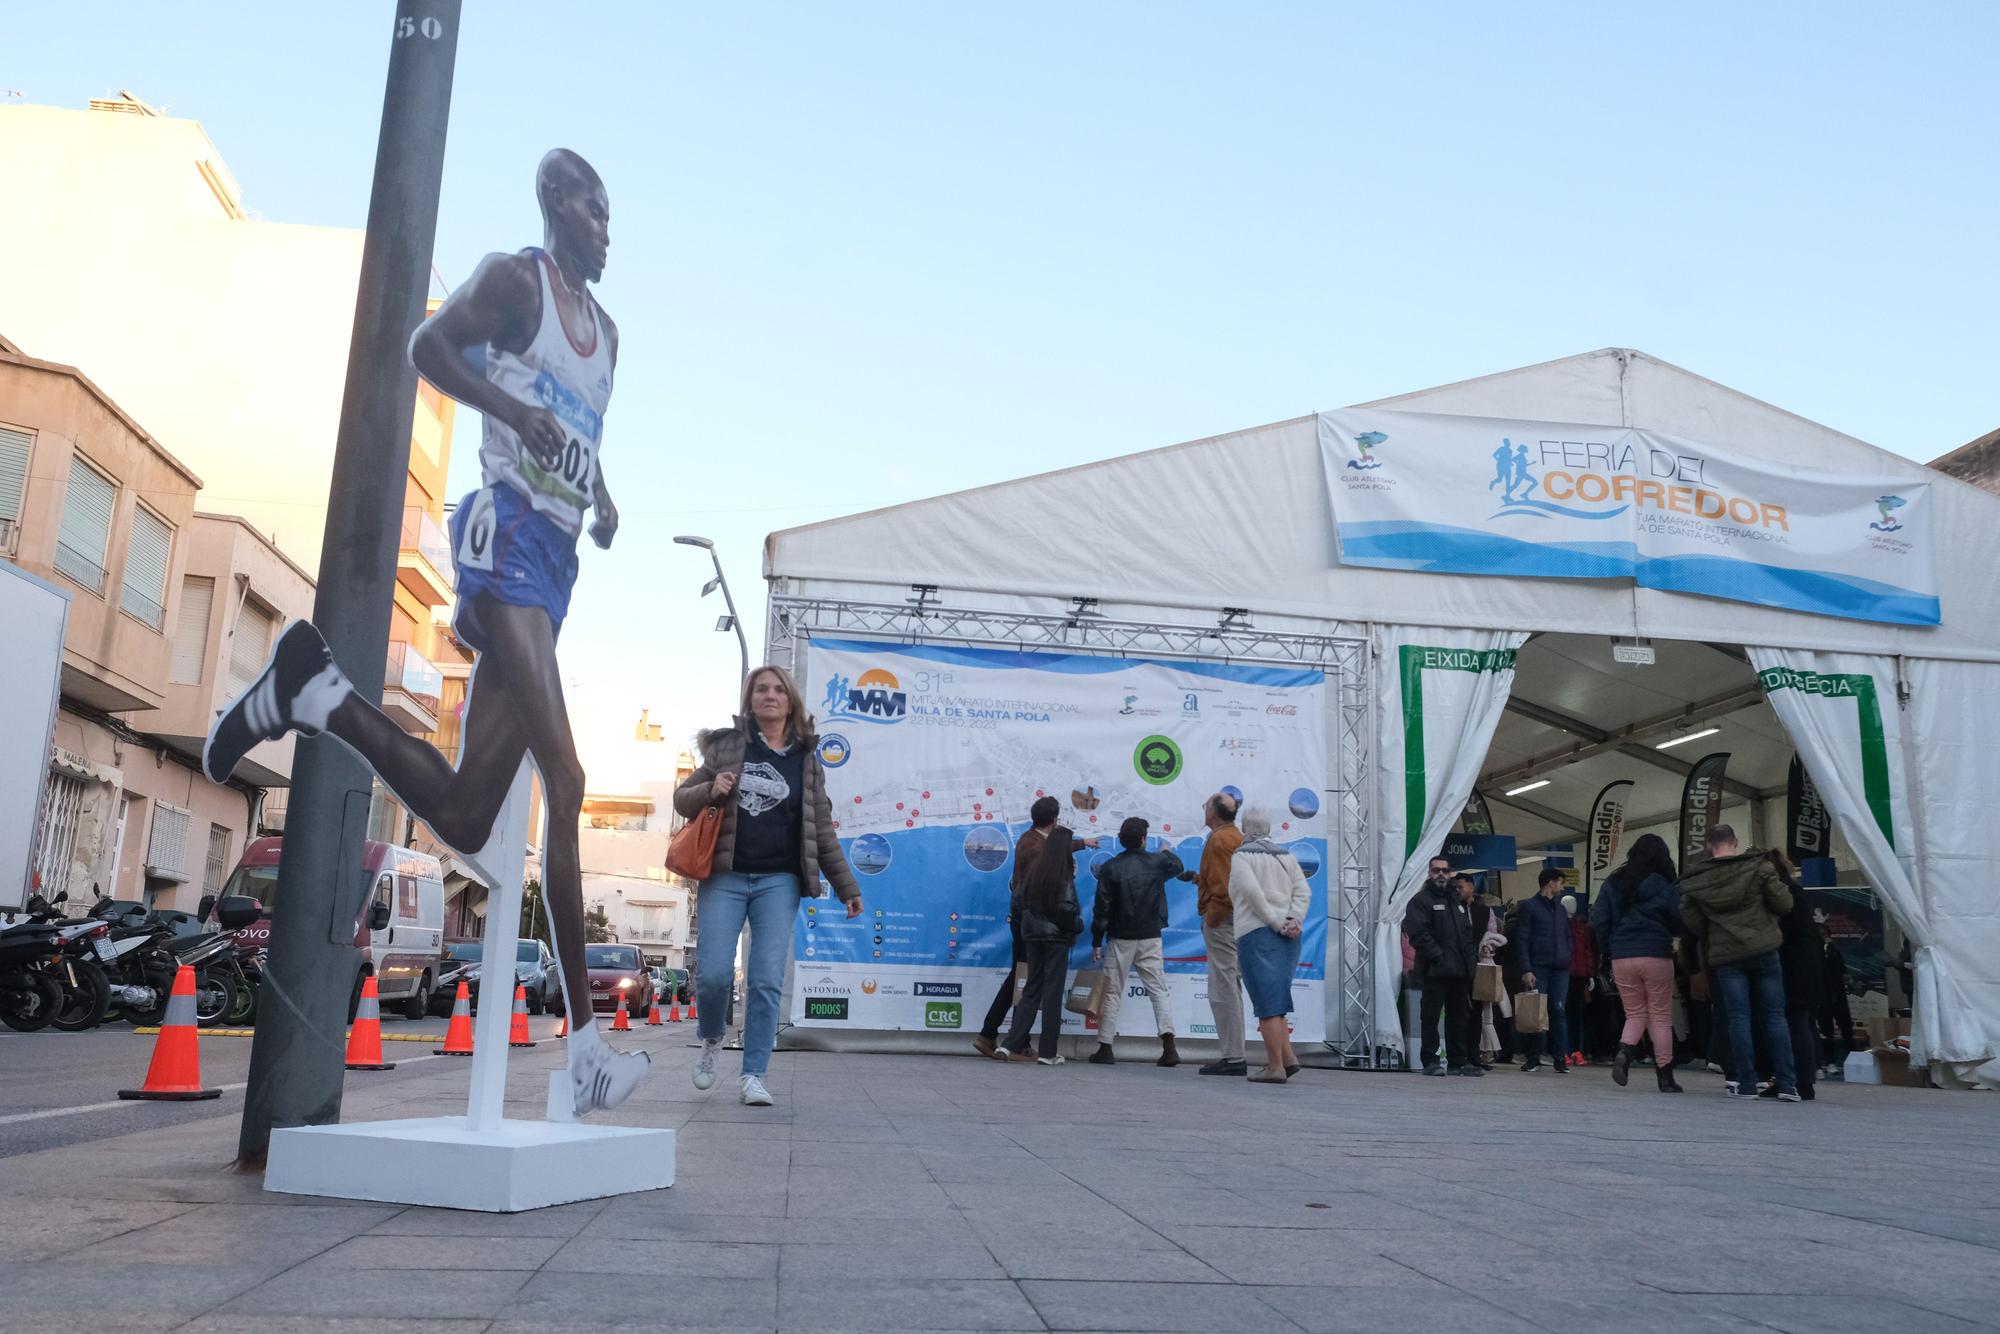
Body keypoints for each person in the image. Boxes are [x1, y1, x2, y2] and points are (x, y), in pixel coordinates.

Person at [202, 150, 648, 1116]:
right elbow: (427, 348)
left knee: (463, 812)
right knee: (566, 782)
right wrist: (507, 407)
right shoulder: (512, 279)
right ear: (554, 205)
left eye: (613, 215)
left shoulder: (609, 334)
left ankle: (312, 694)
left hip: (558, 558)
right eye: (594, 209)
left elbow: (579, 434)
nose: (608, 228)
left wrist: (604, 498)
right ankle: (588, 1046)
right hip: (503, 538)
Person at [675, 665, 863, 1106]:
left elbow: (822, 830)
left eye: (779, 689)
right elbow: (683, 799)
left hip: (778, 882)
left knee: (764, 979)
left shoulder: (806, 761)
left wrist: (846, 886)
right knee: (715, 975)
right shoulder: (727, 748)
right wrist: (710, 790)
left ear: (791, 701)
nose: (770, 696)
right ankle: (710, 1038)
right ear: (750, 699)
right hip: (725, 877)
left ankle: (754, 1074)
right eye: (761, 689)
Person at [1679, 824, 1799, 1101]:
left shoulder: (1699, 879)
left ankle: (1745, 1083)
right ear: (1735, 841)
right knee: (1775, 1016)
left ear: (1709, 845)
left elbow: (1692, 920)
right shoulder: (1760, 868)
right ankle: (1786, 1084)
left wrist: (1716, 931)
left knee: (1738, 1018)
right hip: (1764, 949)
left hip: (1727, 957)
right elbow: (1784, 904)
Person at [1088, 817, 1187, 1067]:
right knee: (1158, 990)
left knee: (1112, 992)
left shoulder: (1110, 867)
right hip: (1151, 935)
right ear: (1143, 839)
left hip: (1120, 937)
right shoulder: (1157, 863)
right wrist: (1165, 852)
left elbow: (1102, 909)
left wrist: (1097, 940)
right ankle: (1169, 1046)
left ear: (1122, 839)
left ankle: (1105, 1047)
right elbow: (1177, 866)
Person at [1590, 834, 1683, 1092]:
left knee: (1635, 1013)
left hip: (1622, 956)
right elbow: (1679, 919)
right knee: (1661, 1016)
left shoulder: (1613, 882)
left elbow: (1600, 919)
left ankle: (1624, 1052)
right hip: (1656, 954)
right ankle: (1665, 1077)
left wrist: (1609, 948)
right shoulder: (1664, 885)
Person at [1228, 807, 1311, 1084]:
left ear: (1244, 827)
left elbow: (1251, 893)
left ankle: (1275, 1067)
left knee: (1266, 1004)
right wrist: (1293, 919)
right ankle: (1288, 1058)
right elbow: (1303, 890)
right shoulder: (1286, 856)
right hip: (1289, 936)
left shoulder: (1242, 856)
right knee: (1277, 999)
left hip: (1256, 932)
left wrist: (1275, 922)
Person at [973, 796, 1060, 1058]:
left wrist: (1079, 845)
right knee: (1028, 980)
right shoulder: (1036, 848)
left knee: (1019, 977)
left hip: (1022, 920)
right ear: (1054, 820)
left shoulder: (1029, 839)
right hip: (1030, 922)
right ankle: (1012, 1040)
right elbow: (1039, 883)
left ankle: (993, 1034)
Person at [997, 822, 1086, 1065]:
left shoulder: (1034, 870)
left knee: (1031, 989)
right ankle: (1048, 1052)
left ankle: (1009, 1044)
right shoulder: (1063, 874)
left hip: (1032, 936)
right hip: (1056, 939)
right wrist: (1078, 925)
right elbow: (1066, 910)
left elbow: (1018, 902)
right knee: (1053, 993)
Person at [1403, 855, 1480, 1076]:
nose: (1441, 874)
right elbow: (1418, 934)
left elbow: (1467, 935)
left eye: (1445, 871)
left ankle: (1458, 1061)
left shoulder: (1457, 901)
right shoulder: (1420, 901)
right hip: (1434, 970)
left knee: (1458, 1018)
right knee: (1430, 1017)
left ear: (1450, 874)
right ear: (1429, 873)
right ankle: (1430, 1060)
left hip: (1460, 971)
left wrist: (1471, 961)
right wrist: (1439, 957)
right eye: (1436, 870)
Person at [1195, 792, 1248, 1076]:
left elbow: (1225, 888)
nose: (1203, 809)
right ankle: (1233, 1054)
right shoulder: (1234, 836)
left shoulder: (1219, 840)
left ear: (1213, 813)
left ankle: (1234, 1056)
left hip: (1222, 921)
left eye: (1205, 806)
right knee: (1227, 984)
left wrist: (1212, 918)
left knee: (1223, 987)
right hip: (1231, 918)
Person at [1771, 851, 1823, 1101]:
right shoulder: (1797, 891)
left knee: (1792, 1024)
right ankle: (1803, 1080)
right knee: (1801, 1023)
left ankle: (1794, 1080)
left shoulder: (1781, 895)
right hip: (1807, 966)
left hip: (1789, 965)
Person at [1513, 868, 1572, 1075]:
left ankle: (1559, 1058)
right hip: (1538, 968)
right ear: (1550, 883)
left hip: (1560, 969)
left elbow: (1567, 936)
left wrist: (1567, 955)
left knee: (1558, 1011)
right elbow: (1521, 939)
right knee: (1535, 1012)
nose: (1562, 887)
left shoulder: (1560, 910)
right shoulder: (1529, 907)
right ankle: (1533, 1057)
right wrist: (1526, 969)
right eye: (1560, 883)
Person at [1819, 929, 1855, 1071]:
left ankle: (1851, 1058)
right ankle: (1830, 1061)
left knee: (1846, 1027)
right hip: (1824, 995)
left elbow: (1843, 971)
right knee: (1826, 1030)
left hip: (1837, 994)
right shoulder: (1815, 953)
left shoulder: (1834, 952)